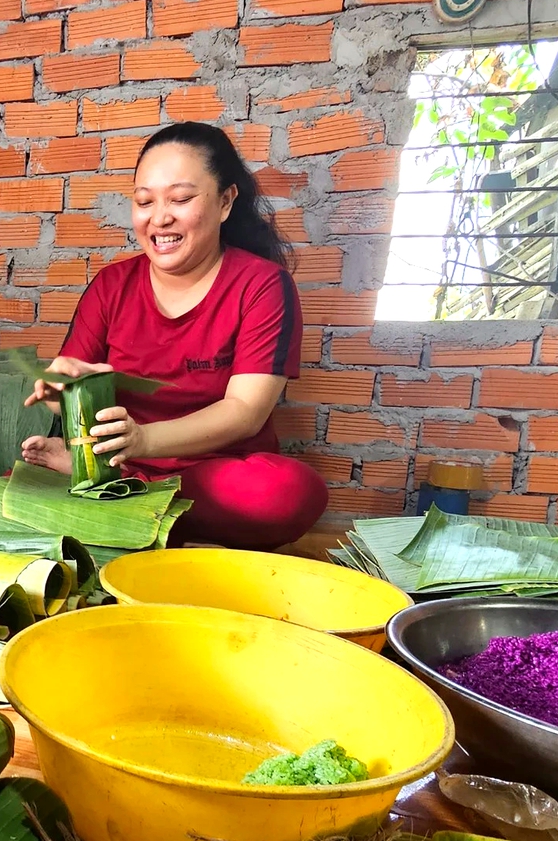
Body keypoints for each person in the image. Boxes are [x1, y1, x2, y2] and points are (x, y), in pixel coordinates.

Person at [23, 122, 329, 550]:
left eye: (181, 199)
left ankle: (123, 508)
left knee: (286, 492)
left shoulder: (262, 285)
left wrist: (144, 440)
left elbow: (245, 411)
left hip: (212, 473)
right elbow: (70, 392)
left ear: (225, 202)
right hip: (116, 462)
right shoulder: (112, 286)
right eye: (144, 201)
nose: (160, 217)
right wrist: (60, 387)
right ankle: (134, 508)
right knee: (9, 489)